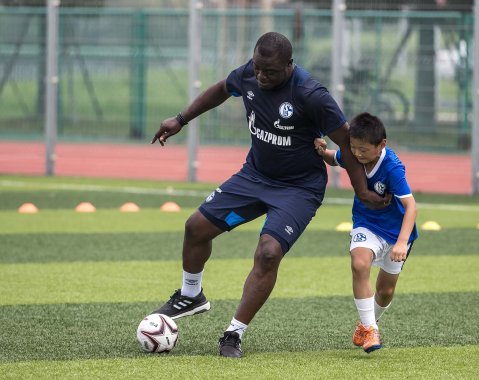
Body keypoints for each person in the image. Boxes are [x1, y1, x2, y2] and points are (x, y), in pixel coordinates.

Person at [150, 32, 389, 358]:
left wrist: (361, 189)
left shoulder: (311, 94)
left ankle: (234, 333)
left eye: (271, 71)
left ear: (290, 65)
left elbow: (346, 140)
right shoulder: (249, 73)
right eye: (258, 69)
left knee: (268, 252)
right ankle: (192, 295)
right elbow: (221, 89)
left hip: (299, 189)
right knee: (195, 227)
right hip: (255, 176)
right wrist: (180, 119)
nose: (261, 76)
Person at [314, 112, 418, 353]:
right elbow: (335, 157)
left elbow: (410, 206)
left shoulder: (392, 167)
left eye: (363, 150)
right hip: (366, 223)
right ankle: (371, 330)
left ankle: (366, 324)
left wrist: (402, 242)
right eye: (353, 148)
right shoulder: (353, 154)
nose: (357, 154)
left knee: (386, 291)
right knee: (359, 263)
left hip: (396, 233)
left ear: (381, 144)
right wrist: (322, 151)